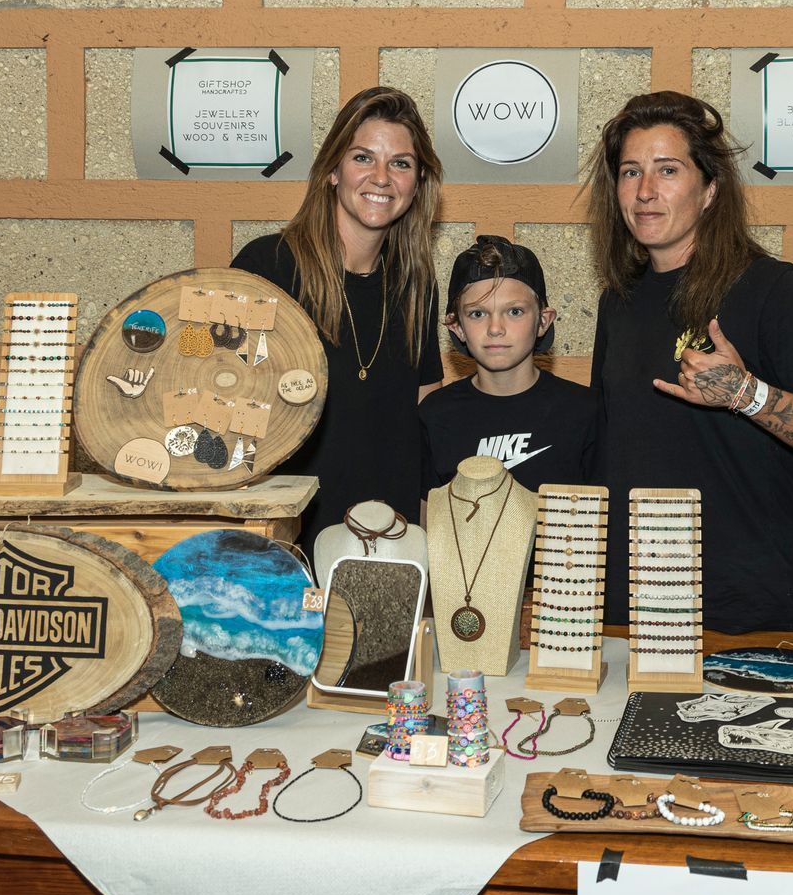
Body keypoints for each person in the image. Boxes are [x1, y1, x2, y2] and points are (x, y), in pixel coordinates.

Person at [585, 91, 793, 634]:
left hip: (745, 604)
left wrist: (744, 394)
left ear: (710, 189)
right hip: (632, 604)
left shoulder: (767, 287)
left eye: (668, 170)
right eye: (630, 172)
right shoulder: (617, 300)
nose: (645, 191)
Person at [232, 87, 444, 549]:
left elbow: (424, 416)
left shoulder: (416, 286)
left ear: (418, 182)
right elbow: (224, 405)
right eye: (363, 158)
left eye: (401, 163)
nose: (382, 178)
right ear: (332, 170)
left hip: (387, 539)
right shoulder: (267, 267)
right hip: (286, 539)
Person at [420, 234, 597, 494]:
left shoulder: (585, 411)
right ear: (457, 327)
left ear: (543, 321)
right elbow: (425, 520)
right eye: (477, 314)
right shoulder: (435, 415)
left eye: (514, 312)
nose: (495, 328)